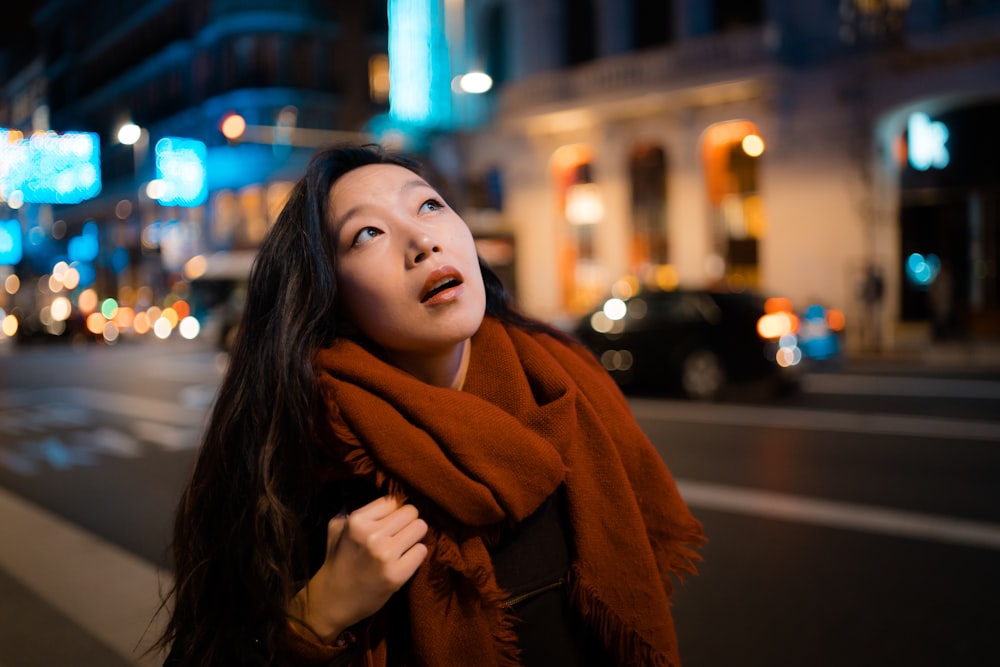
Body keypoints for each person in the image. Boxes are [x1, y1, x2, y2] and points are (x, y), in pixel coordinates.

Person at [156, 143, 704, 666]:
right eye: (367, 234)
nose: (422, 240)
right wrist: (313, 616)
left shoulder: (567, 385)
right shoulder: (297, 453)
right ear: (330, 298)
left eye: (429, 205)